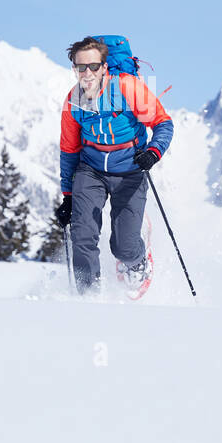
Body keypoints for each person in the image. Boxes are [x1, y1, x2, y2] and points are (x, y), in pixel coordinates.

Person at [55, 36, 173, 293]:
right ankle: (88, 297)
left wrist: (153, 152)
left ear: (105, 67)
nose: (87, 73)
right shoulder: (73, 100)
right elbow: (69, 150)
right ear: (74, 69)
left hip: (130, 169)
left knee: (124, 247)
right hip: (91, 171)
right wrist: (68, 196)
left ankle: (138, 260)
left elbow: (163, 123)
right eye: (80, 67)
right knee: (82, 236)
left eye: (94, 66)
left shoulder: (127, 87)